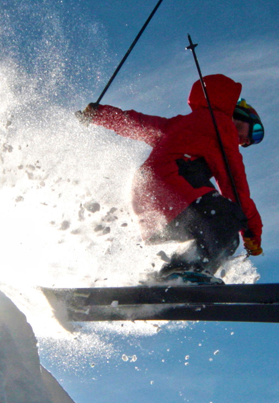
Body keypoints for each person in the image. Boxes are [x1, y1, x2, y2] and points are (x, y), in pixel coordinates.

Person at [79, 74, 264, 284]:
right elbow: (235, 188)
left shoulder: (181, 123)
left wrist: (99, 115)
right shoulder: (222, 127)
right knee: (227, 226)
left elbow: (139, 125)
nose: (247, 141)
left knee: (211, 233)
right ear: (237, 113)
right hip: (174, 188)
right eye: (254, 131)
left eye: (250, 142)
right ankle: (184, 273)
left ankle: (172, 277)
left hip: (148, 201)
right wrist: (252, 235)